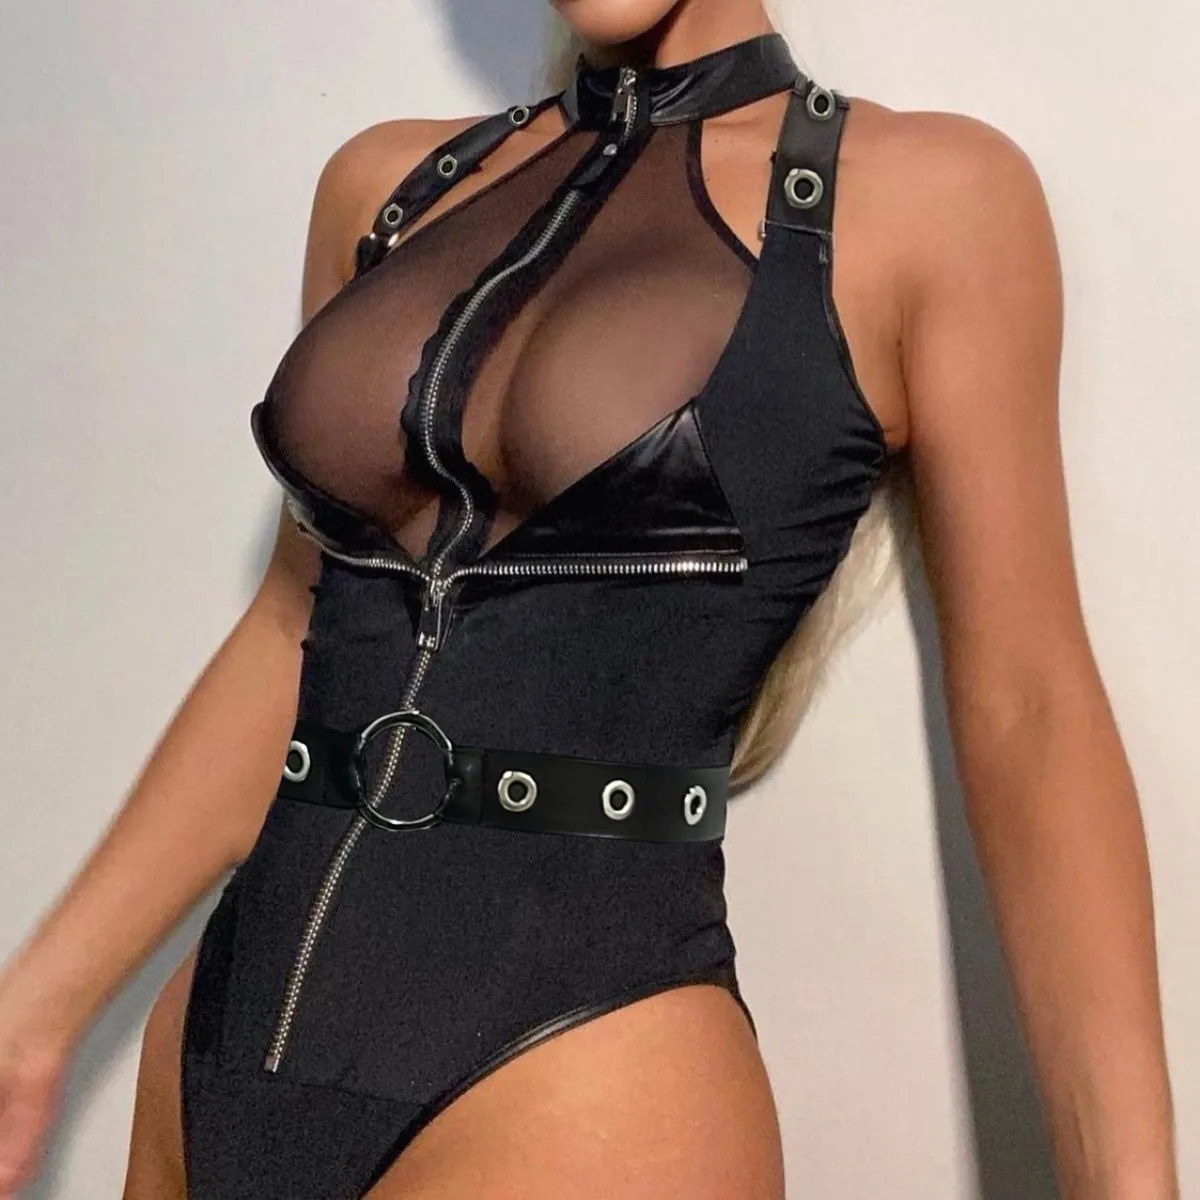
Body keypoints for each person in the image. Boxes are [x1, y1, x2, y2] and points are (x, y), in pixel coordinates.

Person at [0, 1, 1180, 1197]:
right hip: (216, 1048)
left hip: (576, 1082)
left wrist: (1131, 1185)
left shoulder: (930, 200)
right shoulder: (386, 188)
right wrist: (33, 1014)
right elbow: (288, 630)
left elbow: (1030, 710)